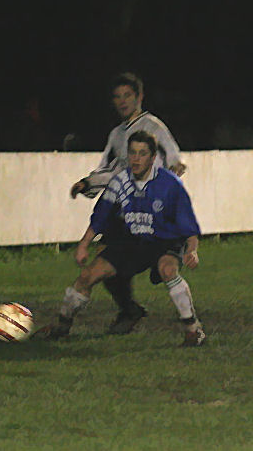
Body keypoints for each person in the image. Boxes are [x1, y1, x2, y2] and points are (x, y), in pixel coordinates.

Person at [43, 130, 205, 347]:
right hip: (134, 240)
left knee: (168, 270)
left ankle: (193, 330)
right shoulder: (119, 182)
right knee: (87, 276)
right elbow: (100, 217)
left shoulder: (170, 184)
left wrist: (191, 250)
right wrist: (83, 246)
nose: (136, 159)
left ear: (153, 157)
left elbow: (188, 225)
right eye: (132, 153)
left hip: (165, 241)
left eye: (142, 154)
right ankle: (61, 326)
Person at [68, 72, 187, 335]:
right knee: (107, 262)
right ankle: (129, 309)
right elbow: (110, 170)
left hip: (150, 212)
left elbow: (174, 158)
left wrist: (171, 176)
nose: (122, 101)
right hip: (123, 210)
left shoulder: (155, 127)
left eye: (127, 96)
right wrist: (87, 183)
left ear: (139, 97)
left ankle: (188, 323)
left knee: (157, 265)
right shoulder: (116, 135)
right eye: (117, 97)